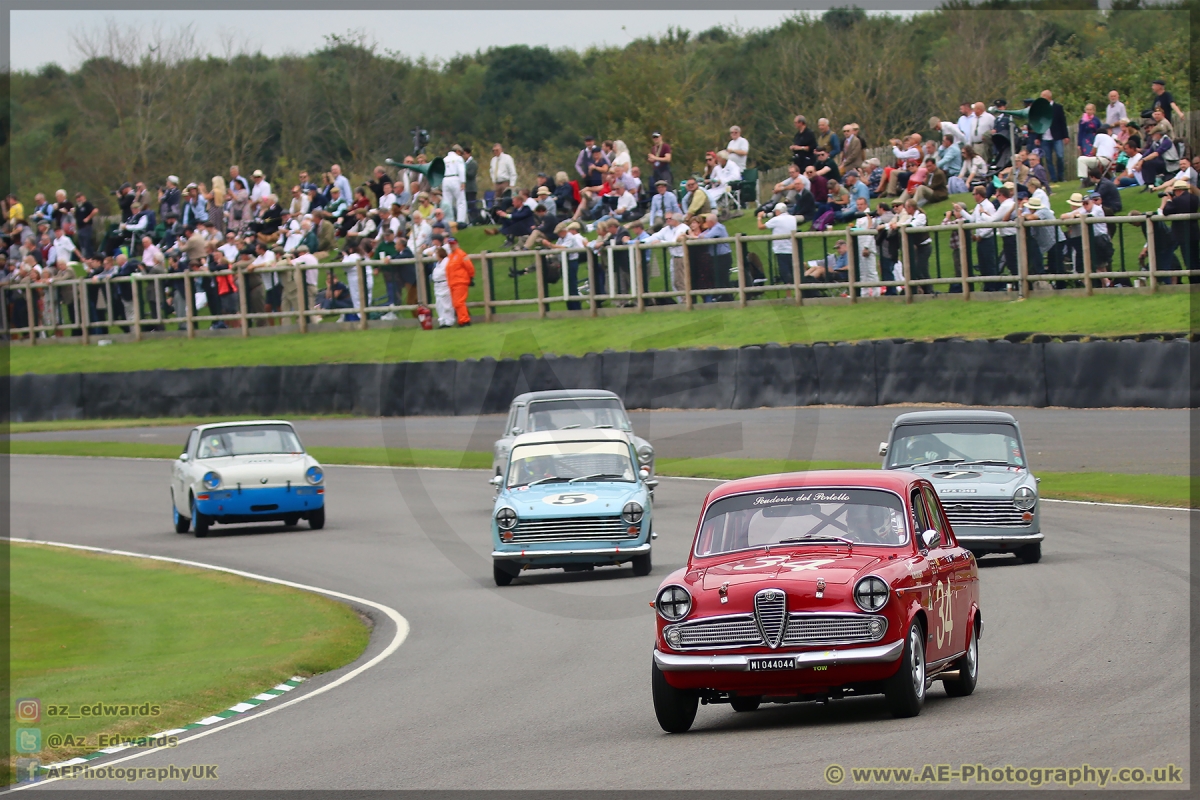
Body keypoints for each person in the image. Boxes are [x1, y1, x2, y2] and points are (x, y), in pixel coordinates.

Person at [1161, 179, 1199, 271]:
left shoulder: (1177, 201)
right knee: (1196, 259)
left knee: (1188, 260)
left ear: (1178, 190)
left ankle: (1194, 283)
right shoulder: (1195, 198)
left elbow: (1166, 211)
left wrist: (1170, 200)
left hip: (1183, 234)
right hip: (1194, 233)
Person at [758, 203, 798, 284]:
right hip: (792, 248)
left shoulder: (776, 219)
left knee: (785, 273)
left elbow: (760, 227)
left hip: (781, 249)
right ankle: (798, 293)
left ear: (778, 211)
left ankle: (789, 295)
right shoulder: (793, 218)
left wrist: (759, 217)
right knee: (794, 272)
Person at [444, 237, 474, 326]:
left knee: (459, 302)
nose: (451, 246)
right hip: (453, 283)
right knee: (456, 303)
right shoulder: (450, 256)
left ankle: (465, 320)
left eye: (453, 244)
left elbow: (469, 267)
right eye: (450, 244)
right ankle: (462, 320)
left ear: (457, 244)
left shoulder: (462, 254)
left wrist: (471, 277)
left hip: (460, 282)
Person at [1041, 90, 1070, 182]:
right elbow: (1038, 123)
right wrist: (1038, 137)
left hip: (1057, 137)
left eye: (1043, 96)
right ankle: (1053, 178)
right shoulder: (1041, 108)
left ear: (1048, 97)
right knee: (1048, 159)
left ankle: (1061, 176)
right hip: (1045, 138)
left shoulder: (1058, 108)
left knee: (1060, 156)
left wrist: (1066, 136)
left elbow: (1063, 122)